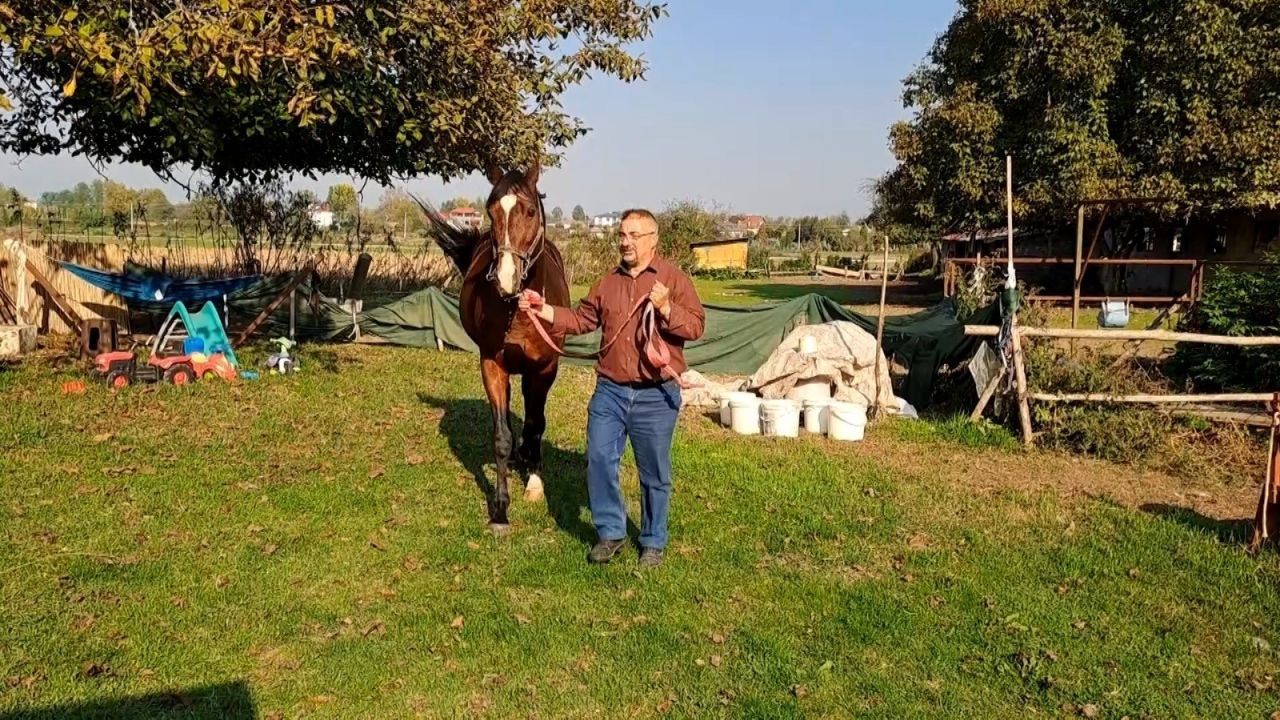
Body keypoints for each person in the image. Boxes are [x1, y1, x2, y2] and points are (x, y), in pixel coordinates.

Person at [519, 208, 705, 566]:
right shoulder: (607, 283)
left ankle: (652, 540)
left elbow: (696, 327)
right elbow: (580, 319)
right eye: (622, 235)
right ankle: (611, 532)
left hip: (656, 394)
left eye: (634, 235)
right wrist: (543, 310)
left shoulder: (674, 279)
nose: (625, 241)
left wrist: (667, 309)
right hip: (611, 391)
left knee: (654, 472)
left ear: (653, 239)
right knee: (601, 460)